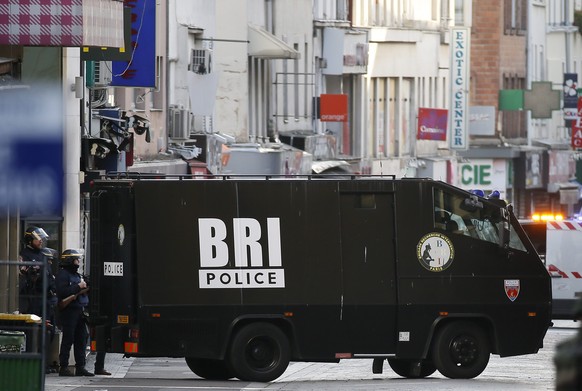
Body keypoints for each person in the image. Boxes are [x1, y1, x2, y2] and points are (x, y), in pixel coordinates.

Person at [55, 249, 94, 377]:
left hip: (79, 310)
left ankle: (80, 366)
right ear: (69, 261)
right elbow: (62, 292)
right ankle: (64, 366)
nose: (78, 262)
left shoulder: (77, 275)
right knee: (68, 339)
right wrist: (79, 287)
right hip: (69, 312)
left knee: (81, 338)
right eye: (76, 260)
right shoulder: (63, 275)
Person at [18, 226, 50, 316]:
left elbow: (49, 273)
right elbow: (24, 276)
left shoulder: (42, 254)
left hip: (45, 297)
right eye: (37, 238)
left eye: (41, 238)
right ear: (29, 240)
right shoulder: (24, 255)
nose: (41, 240)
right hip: (32, 297)